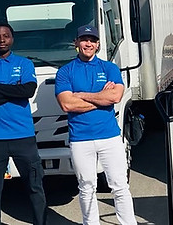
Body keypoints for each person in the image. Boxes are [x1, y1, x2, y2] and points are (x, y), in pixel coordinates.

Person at [55, 25, 137, 225]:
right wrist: (101, 98)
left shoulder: (109, 68)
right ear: (76, 43)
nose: (88, 43)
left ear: (98, 44)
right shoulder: (65, 71)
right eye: (84, 39)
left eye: (92, 40)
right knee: (86, 187)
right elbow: (66, 103)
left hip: (109, 137)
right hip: (80, 139)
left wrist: (81, 95)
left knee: (119, 186)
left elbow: (115, 96)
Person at [0, 22, 47, 225]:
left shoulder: (24, 64)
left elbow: (28, 91)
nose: (1, 39)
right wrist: (13, 90)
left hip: (23, 136)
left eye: (6, 35)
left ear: (12, 38)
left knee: (34, 186)